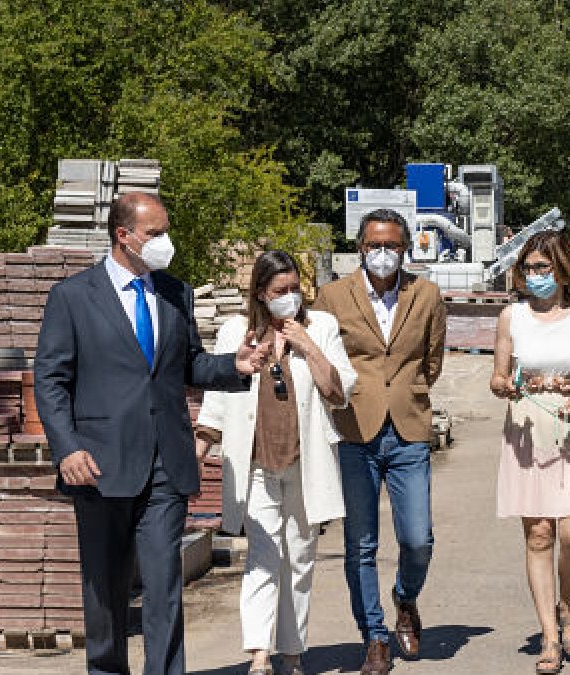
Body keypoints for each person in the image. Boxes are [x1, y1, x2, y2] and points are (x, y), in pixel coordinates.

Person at [34, 193, 267, 675]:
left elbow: (189, 364)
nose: (167, 243)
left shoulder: (174, 293)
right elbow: (50, 379)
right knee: (105, 589)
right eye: (156, 233)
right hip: (99, 465)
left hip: (166, 463)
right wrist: (66, 447)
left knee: (164, 587)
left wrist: (235, 366)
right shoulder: (73, 297)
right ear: (124, 236)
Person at [194, 250, 357, 675]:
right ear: (262, 295)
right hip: (256, 464)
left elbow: (339, 393)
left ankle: (293, 651)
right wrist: (202, 446)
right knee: (263, 555)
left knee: (300, 559)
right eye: (279, 291)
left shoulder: (319, 326)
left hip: (306, 461)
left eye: (295, 289)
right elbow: (216, 396)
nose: (290, 298)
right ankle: (259, 654)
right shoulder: (237, 330)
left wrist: (307, 345)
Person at [313, 208, 447, 675]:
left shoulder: (426, 294)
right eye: (374, 245)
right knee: (361, 544)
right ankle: (374, 636)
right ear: (361, 248)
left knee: (418, 539)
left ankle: (405, 598)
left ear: (406, 248)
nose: (383, 253)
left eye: (392, 245)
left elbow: (432, 361)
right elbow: (324, 360)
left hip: (409, 428)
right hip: (355, 429)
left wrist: (407, 393)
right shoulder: (331, 296)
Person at [489, 231, 570, 675]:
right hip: (528, 428)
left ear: (564, 269)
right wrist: (506, 386)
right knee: (539, 533)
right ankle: (549, 634)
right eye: (529, 268)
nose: (535, 276)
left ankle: (568, 605)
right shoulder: (511, 317)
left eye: (543, 268)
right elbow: (498, 377)